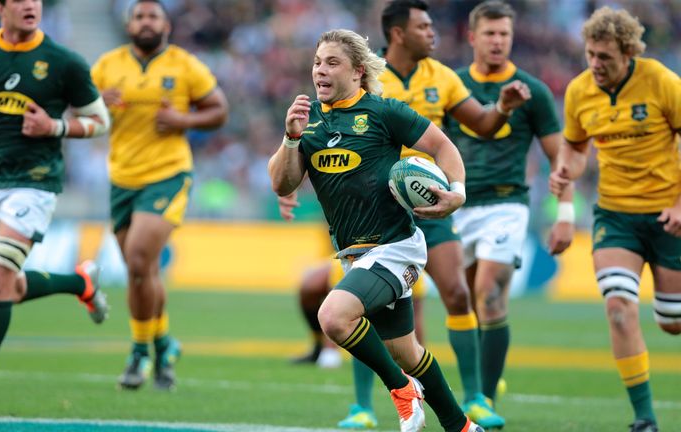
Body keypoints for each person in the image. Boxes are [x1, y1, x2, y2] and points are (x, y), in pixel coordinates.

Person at [283, 1, 531, 428]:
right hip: (356, 254)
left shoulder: (383, 111)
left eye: (332, 63)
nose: (320, 71)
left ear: (357, 71)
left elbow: (444, 147)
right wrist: (289, 141)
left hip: (396, 246)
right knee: (407, 352)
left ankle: (400, 390)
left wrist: (457, 192)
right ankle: (462, 424)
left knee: (334, 316)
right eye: (317, 62)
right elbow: (282, 183)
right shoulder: (310, 122)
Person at [0, 0, 111, 416]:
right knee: (4, 287)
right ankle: (80, 283)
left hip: (37, 182)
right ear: (0, 8)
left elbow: (101, 120)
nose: (31, 4)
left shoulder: (62, 61)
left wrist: (56, 127)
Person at [549, 7, 681, 432]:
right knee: (620, 307)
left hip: (668, 212)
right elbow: (573, 150)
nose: (595, 64)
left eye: (605, 56)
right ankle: (644, 418)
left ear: (628, 52)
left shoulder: (660, 80)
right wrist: (566, 208)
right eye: (590, 54)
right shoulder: (579, 91)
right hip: (615, 214)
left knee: (672, 321)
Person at [443, 0, 575, 420]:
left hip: (507, 204)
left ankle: (483, 403)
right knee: (464, 301)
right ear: (472, 36)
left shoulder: (531, 90)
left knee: (490, 292)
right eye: (490, 34)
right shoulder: (453, 86)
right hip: (458, 205)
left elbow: (561, 156)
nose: (498, 41)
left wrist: (565, 212)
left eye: (504, 34)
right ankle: (482, 378)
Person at [91, 0, 229, 391]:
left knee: (137, 260)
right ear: (128, 24)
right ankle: (165, 343)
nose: (146, 21)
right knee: (144, 272)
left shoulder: (185, 65)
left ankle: (138, 353)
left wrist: (184, 120)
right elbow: (82, 111)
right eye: (139, 16)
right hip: (121, 179)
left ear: (166, 24)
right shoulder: (106, 66)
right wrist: (99, 104)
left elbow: (220, 110)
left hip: (168, 175)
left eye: (153, 15)